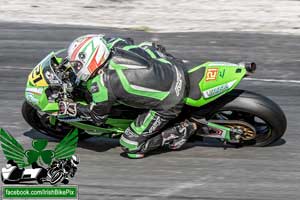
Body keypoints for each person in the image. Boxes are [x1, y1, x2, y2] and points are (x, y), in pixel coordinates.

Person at [59, 34, 197, 158]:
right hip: (172, 65)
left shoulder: (102, 84)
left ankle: (180, 131)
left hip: (171, 99)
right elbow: (127, 39)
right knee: (145, 46)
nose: (75, 68)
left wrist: (73, 108)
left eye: (76, 65)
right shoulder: (114, 44)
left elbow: (97, 117)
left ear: (91, 59)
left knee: (130, 145)